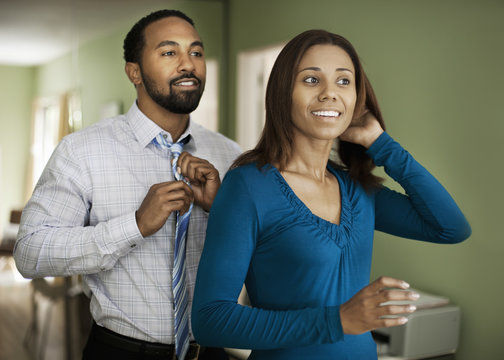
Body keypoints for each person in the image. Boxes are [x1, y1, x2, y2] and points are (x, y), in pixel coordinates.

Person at [191, 29, 472, 359]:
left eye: (343, 81)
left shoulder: (356, 189)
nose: (330, 94)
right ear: (283, 92)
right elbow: (211, 320)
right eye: (311, 80)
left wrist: (382, 144)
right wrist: (337, 320)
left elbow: (451, 228)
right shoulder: (248, 187)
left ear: (357, 97)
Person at [14, 9, 241, 360]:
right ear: (134, 71)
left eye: (196, 52)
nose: (188, 64)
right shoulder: (82, 151)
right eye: (169, 52)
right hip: (121, 351)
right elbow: (30, 252)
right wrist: (133, 225)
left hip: (212, 351)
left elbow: (265, 256)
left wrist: (222, 209)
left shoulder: (231, 155)